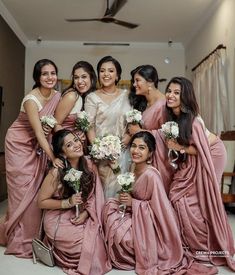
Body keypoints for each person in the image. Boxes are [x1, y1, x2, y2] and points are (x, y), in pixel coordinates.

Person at [103, 131, 218, 274]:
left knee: (123, 236)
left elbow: (160, 211)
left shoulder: (151, 175)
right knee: (109, 206)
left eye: (142, 147)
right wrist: (116, 169)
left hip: (150, 225)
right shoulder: (133, 167)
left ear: (150, 153)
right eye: (133, 146)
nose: (136, 151)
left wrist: (134, 203)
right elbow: (129, 187)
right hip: (136, 216)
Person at [164, 76, 235, 271]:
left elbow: (200, 148)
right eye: (169, 91)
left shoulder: (192, 120)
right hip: (195, 155)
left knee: (201, 198)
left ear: (185, 96)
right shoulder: (173, 117)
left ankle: (207, 245)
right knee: (178, 194)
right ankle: (190, 241)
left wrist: (179, 147)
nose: (170, 95)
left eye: (176, 93)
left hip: (212, 153)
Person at [0, 59, 62, 258]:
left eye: (53, 73)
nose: (50, 77)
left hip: (39, 146)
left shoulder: (57, 96)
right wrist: (53, 157)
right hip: (19, 145)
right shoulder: (31, 99)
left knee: (37, 192)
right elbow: (38, 131)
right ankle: (19, 240)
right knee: (22, 191)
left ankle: (33, 236)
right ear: (37, 77)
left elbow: (57, 124)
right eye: (45, 74)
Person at [37, 129, 111, 275]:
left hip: (81, 212)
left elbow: (94, 195)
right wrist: (67, 203)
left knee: (96, 242)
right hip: (57, 216)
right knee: (81, 247)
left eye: (76, 140)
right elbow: (41, 202)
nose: (77, 145)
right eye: (69, 145)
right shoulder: (56, 172)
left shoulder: (89, 164)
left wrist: (85, 213)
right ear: (63, 153)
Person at [85, 55, 131, 199]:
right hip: (102, 156)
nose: (106, 74)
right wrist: (99, 149)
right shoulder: (92, 97)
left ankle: (120, 221)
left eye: (111, 71)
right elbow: (89, 126)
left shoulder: (128, 95)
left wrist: (129, 136)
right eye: (102, 71)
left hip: (125, 152)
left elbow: (134, 120)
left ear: (117, 75)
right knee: (105, 194)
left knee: (124, 190)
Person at [54, 61, 97, 134]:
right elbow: (56, 124)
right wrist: (72, 140)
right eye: (76, 77)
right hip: (66, 143)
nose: (80, 81)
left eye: (84, 77)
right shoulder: (71, 96)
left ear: (92, 78)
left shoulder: (87, 97)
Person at [128, 64, 166, 133]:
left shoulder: (163, 105)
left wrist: (139, 131)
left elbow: (166, 136)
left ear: (150, 82)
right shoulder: (145, 102)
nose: (134, 84)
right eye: (134, 81)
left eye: (137, 80)